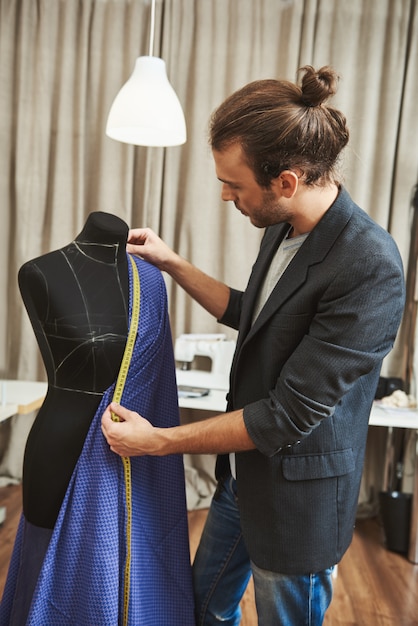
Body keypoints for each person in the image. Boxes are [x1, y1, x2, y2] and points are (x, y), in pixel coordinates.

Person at [101, 66, 406, 625]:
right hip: (242, 481)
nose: (224, 195)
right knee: (205, 608)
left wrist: (158, 442)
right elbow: (255, 315)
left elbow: (287, 416)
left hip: (297, 503)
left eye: (233, 184)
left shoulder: (369, 264)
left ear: (285, 182)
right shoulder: (283, 225)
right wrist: (173, 264)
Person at [0, 212, 195, 625]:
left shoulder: (150, 282)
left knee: (119, 570)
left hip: (134, 445)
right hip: (61, 450)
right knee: (48, 571)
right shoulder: (40, 273)